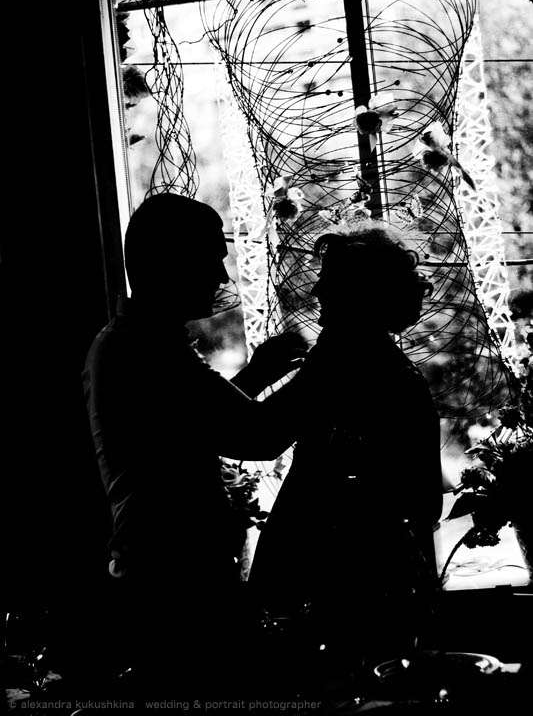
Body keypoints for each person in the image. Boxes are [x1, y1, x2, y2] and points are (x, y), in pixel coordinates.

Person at [83, 193, 307, 698]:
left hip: (160, 571)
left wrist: (259, 375)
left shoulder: (130, 343)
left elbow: (185, 426)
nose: (221, 277)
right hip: (176, 582)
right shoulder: (148, 351)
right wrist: (335, 367)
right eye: (211, 260)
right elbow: (257, 436)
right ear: (171, 264)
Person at [249, 223, 443, 689]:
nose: (316, 290)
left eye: (328, 280)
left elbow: (260, 437)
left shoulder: (343, 360)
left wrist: (257, 374)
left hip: (339, 581)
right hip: (380, 575)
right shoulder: (384, 362)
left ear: (357, 293)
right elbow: (425, 503)